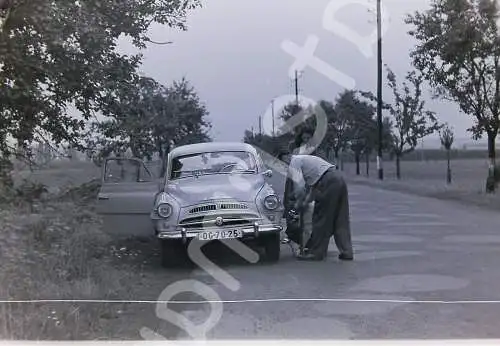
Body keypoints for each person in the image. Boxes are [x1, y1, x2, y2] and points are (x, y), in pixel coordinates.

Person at [279, 150, 354, 261]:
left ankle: (316, 253)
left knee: (320, 218)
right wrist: (305, 202)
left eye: (282, 162)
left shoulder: (294, 162)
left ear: (286, 157)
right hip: (338, 178)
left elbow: (299, 188)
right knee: (340, 218)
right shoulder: (305, 161)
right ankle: (347, 251)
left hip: (327, 181)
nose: (284, 166)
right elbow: (313, 188)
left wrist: (298, 203)